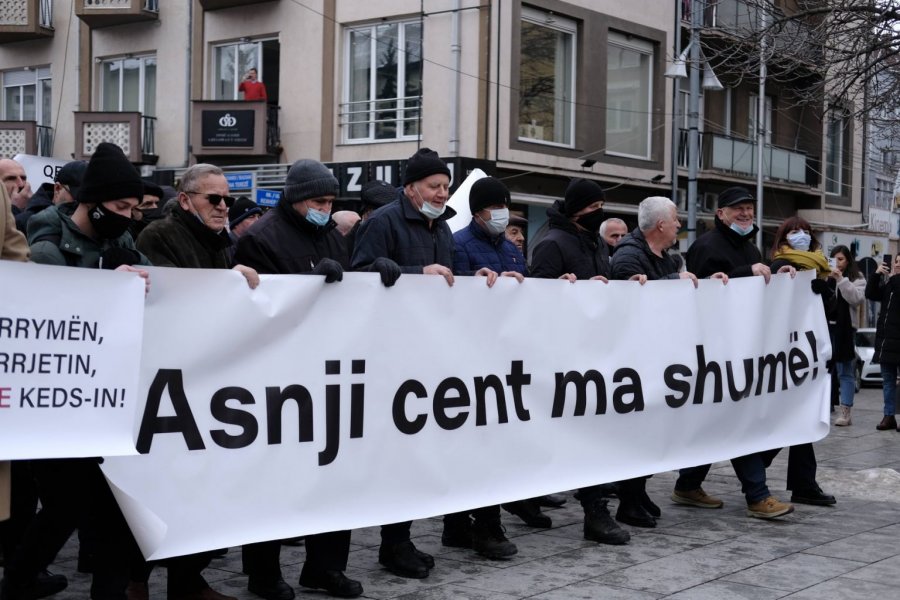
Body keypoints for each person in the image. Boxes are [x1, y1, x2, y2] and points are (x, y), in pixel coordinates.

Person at [4, 143, 151, 600]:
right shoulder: (46, 241)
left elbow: (167, 284)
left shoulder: (121, 241)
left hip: (102, 402)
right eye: (120, 206)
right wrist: (104, 284)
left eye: (134, 208)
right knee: (68, 505)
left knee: (97, 510)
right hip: (56, 404)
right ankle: (20, 579)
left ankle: (29, 581)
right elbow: (49, 299)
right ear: (92, 202)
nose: (128, 216)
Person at [233, 159, 385, 600]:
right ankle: (263, 572)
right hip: (279, 378)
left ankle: (325, 567)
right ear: (297, 198)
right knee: (273, 479)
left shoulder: (328, 237)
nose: (326, 207)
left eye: (331, 200)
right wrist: (305, 283)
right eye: (319, 200)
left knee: (334, 475)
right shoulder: (261, 237)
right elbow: (256, 303)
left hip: (328, 373)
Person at [352, 147, 496, 578]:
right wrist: (417, 273)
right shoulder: (382, 222)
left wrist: (481, 281)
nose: (441, 192)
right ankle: (394, 544)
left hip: (429, 355)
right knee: (398, 454)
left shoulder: (443, 228)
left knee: (420, 452)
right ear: (411, 188)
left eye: (446, 186)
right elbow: (359, 277)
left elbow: (447, 282)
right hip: (391, 357)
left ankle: (404, 539)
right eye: (434, 185)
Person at [678, 186, 798, 519]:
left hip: (747, 351)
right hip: (716, 353)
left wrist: (779, 273)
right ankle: (757, 494)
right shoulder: (705, 247)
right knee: (739, 424)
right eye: (737, 209)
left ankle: (688, 485)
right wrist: (748, 273)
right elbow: (701, 292)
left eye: (748, 208)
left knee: (721, 427)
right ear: (721, 214)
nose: (745, 214)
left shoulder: (750, 247)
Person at [528, 177, 635, 545]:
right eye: (592, 208)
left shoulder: (591, 242)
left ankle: (594, 510)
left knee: (592, 436)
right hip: (561, 357)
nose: (598, 214)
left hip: (592, 353)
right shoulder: (551, 243)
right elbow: (536, 299)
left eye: (601, 207)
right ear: (576, 210)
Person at [609, 197, 727, 528]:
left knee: (652, 432)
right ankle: (628, 500)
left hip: (657, 357)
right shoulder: (629, 257)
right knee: (636, 433)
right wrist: (673, 284)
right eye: (675, 219)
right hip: (634, 362)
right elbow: (629, 301)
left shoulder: (665, 257)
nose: (679, 224)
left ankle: (638, 492)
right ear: (660, 225)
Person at [764, 216, 837, 507]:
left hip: (809, 355)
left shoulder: (820, 269)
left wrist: (824, 294)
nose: (802, 236)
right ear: (783, 238)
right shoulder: (776, 267)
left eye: (806, 231)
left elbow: (827, 313)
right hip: (782, 355)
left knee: (804, 418)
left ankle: (804, 484)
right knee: (784, 419)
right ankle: (751, 463)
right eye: (795, 231)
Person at [827, 245, 866, 426]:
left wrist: (841, 279)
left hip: (845, 329)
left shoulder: (856, 278)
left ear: (848, 260)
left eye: (841, 259)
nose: (837, 263)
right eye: (834, 258)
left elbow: (856, 299)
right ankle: (823, 406)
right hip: (825, 327)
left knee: (845, 371)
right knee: (823, 370)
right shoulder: (824, 275)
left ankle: (846, 411)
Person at [865, 253, 900, 432]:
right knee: (887, 381)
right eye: (896, 262)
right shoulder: (890, 284)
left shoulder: (894, 283)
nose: (897, 266)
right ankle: (888, 416)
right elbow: (870, 293)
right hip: (886, 343)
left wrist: (893, 278)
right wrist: (877, 274)